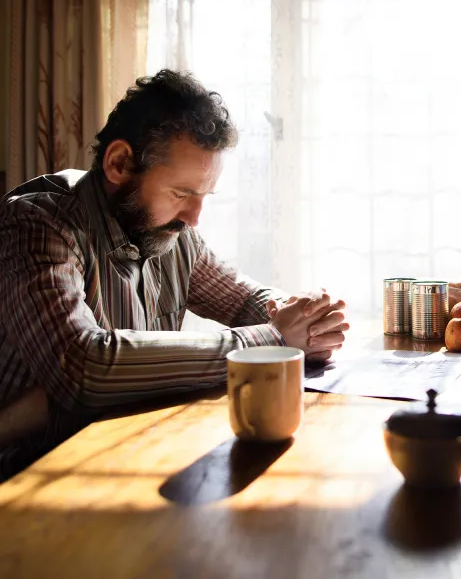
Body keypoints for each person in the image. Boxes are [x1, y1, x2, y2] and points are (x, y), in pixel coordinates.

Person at [0, 70, 348, 478]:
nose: (194, 218)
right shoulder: (36, 223)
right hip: (30, 475)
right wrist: (272, 340)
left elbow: (243, 298)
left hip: (125, 454)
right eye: (182, 193)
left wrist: (301, 316)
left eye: (203, 195)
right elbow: (83, 365)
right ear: (119, 163)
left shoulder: (169, 231)